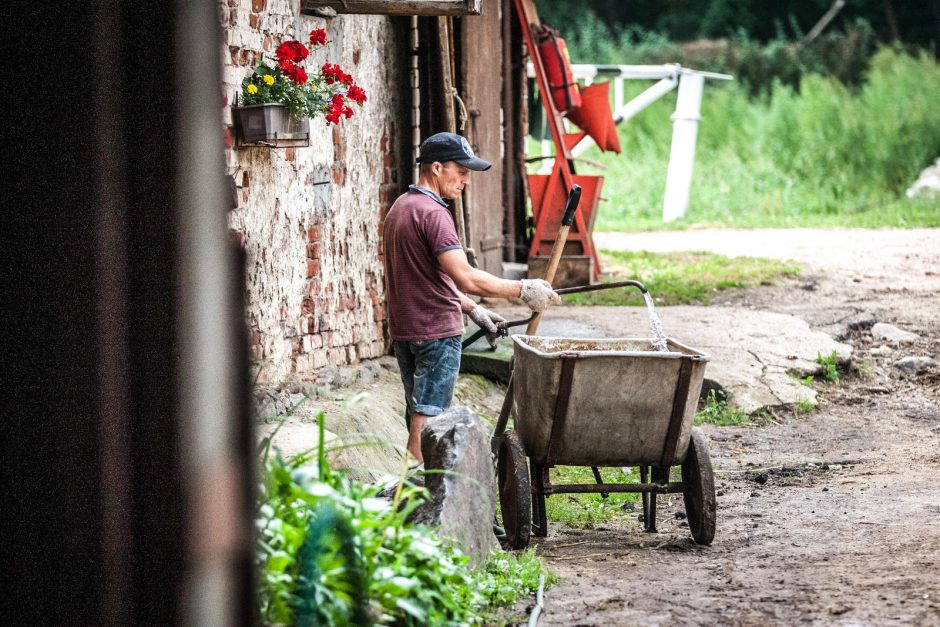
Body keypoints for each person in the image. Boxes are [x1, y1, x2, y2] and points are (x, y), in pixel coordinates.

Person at [383, 132, 561, 466]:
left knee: (418, 410)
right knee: (428, 418)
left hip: (407, 332)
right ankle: (415, 500)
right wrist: (524, 289)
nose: (466, 179)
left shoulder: (402, 207)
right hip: (436, 332)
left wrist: (471, 308)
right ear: (437, 167)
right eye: (460, 171)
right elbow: (466, 276)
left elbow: (424, 276)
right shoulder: (435, 214)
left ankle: (420, 498)